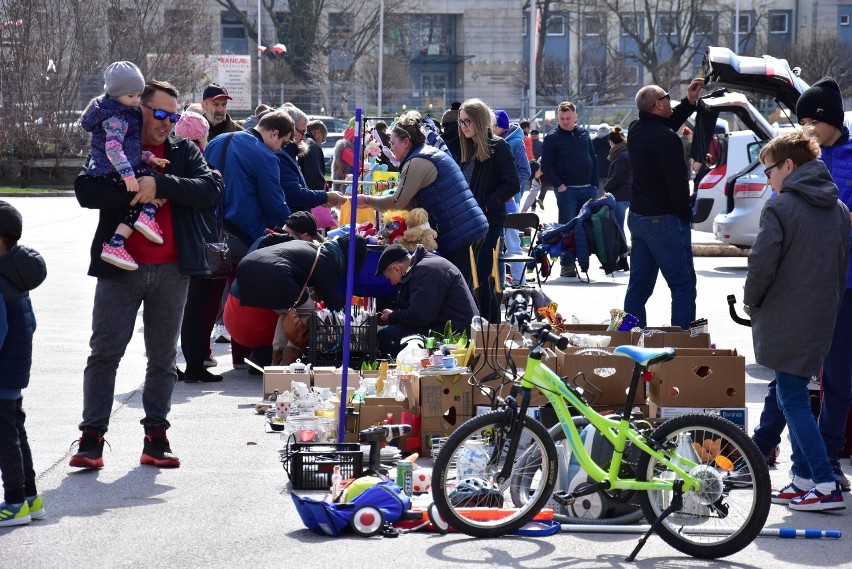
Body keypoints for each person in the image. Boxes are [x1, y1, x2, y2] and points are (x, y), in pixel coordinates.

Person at [70, 80, 221, 469]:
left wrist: (161, 182)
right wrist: (137, 189)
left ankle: (156, 438)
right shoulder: (114, 142)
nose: (167, 123)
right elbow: (86, 191)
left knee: (162, 359)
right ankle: (91, 440)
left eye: (173, 116)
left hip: (172, 271)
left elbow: (210, 189)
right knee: (104, 353)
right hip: (119, 269)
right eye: (159, 114)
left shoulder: (183, 151)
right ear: (139, 109)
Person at [750, 77, 852, 491]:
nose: (807, 128)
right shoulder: (796, 157)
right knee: (788, 377)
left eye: (814, 120)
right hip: (800, 286)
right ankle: (762, 450)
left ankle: (825, 459)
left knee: (838, 378)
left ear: (833, 120)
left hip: (844, 285)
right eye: (802, 120)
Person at [359, 110, 487, 287]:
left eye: (393, 142)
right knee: (470, 285)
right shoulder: (425, 154)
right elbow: (409, 203)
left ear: (406, 142)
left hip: (461, 231)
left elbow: (398, 202)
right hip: (466, 227)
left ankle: (468, 315)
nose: (391, 147)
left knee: (461, 288)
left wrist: (366, 200)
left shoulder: (417, 162)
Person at [623, 79, 703, 329]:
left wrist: (689, 102)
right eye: (668, 97)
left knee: (639, 286)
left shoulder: (636, 128)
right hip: (663, 219)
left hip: (638, 217)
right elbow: (677, 184)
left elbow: (663, 125)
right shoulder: (667, 138)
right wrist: (685, 215)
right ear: (658, 104)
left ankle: (631, 336)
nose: (671, 100)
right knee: (683, 284)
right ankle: (682, 344)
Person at [80, 61, 172, 272]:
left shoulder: (125, 113)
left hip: (117, 169)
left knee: (154, 189)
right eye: (131, 96)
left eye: (138, 96)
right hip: (112, 172)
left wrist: (149, 159)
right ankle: (143, 219)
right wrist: (129, 176)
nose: (135, 101)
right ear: (115, 94)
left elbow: (130, 150)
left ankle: (117, 243)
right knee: (158, 191)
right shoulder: (117, 117)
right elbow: (113, 149)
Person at [0, 201, 47, 527]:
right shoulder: (14, 275)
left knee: (5, 438)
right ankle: (30, 498)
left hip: (2, 371)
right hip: (13, 371)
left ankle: (15, 502)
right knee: (16, 432)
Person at [458, 99, 519, 322]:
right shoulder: (468, 148)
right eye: (461, 121)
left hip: (489, 223)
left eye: (468, 121)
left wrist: (485, 203)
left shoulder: (498, 146)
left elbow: (513, 183)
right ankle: (477, 329)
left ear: (480, 120)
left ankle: (492, 330)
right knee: (470, 280)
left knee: (484, 280)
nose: (464, 126)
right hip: (468, 224)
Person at [375, 243, 478, 356]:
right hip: (445, 325)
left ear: (396, 269)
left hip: (455, 336)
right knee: (391, 331)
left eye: (389, 278)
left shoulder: (426, 272)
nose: (392, 283)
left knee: (387, 336)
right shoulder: (423, 267)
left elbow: (420, 316)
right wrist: (393, 315)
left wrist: (391, 317)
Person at [540, 101, 598, 278]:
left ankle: (585, 262)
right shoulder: (552, 138)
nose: (565, 121)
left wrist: (595, 183)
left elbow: (593, 158)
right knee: (567, 228)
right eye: (562, 118)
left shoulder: (583, 134)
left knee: (588, 228)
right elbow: (547, 165)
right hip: (567, 191)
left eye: (568, 118)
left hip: (588, 189)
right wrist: (560, 185)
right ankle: (567, 263)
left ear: (575, 117)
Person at [492, 109, 531, 286]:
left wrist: (509, 187)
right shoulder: (495, 141)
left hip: (509, 201)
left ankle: (519, 280)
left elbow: (525, 170)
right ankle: (501, 280)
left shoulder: (515, 142)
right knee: (499, 245)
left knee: (513, 243)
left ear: (499, 126)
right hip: (498, 200)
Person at [604, 125, 631, 273]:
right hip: (630, 195)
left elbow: (617, 176)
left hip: (620, 196)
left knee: (618, 230)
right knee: (623, 229)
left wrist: (607, 187)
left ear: (611, 142)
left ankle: (621, 260)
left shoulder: (620, 156)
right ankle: (622, 259)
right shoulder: (628, 152)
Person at [299, 119, 329, 191]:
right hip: (310, 195)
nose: (321, 143)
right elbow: (315, 177)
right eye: (323, 140)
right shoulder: (313, 146)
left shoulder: (301, 141)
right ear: (317, 133)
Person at [593, 123, 612, 195]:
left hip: (598, 172)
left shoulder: (593, 142)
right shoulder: (612, 142)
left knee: (599, 197)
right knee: (610, 196)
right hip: (610, 171)